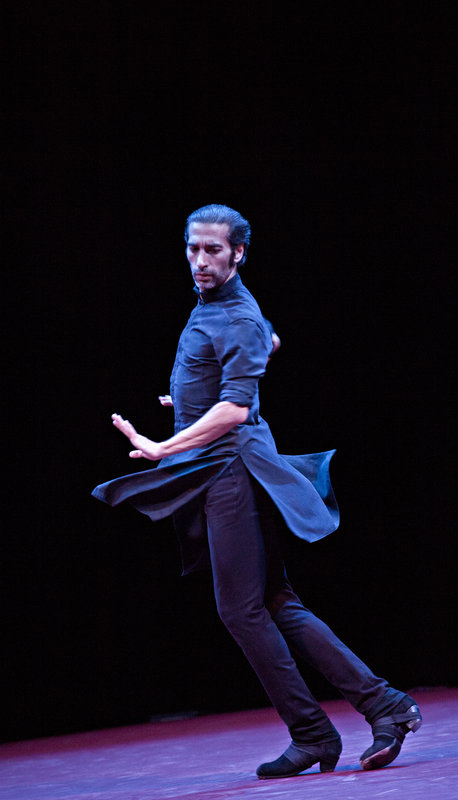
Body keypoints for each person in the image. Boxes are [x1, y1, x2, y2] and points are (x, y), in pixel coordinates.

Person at [92, 204, 422, 779]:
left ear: (238, 252)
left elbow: (236, 407)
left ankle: (317, 731)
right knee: (272, 602)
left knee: (241, 608)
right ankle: (380, 707)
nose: (200, 260)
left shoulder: (236, 315)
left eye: (213, 250)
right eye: (193, 248)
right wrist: (189, 403)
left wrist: (162, 447)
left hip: (229, 473)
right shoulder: (220, 310)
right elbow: (252, 354)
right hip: (222, 466)